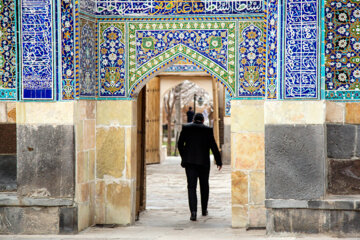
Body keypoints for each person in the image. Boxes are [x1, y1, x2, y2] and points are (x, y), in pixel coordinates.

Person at [177, 113, 222, 221]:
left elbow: (179, 144)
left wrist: (185, 157)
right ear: (202, 121)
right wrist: (219, 161)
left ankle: (193, 212)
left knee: (191, 187)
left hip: (190, 163)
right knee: (204, 186)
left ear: (193, 120)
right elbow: (214, 147)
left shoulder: (186, 128)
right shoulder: (207, 130)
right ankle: (204, 209)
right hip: (204, 163)